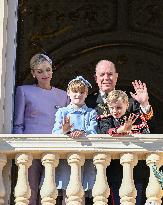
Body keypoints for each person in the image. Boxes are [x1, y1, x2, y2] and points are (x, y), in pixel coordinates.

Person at [86, 60, 153, 205]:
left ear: (116, 77)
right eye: (102, 74)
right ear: (95, 78)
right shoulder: (88, 102)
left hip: (131, 168)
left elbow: (147, 126)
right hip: (98, 168)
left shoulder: (131, 100)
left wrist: (144, 104)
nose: (106, 78)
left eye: (110, 74)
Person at [13, 53, 70, 205]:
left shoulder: (63, 95)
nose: (45, 74)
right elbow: (18, 124)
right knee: (29, 192)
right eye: (40, 71)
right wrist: (21, 149)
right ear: (33, 73)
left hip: (55, 148)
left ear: (52, 70)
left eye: (48, 70)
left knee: (49, 194)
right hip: (30, 148)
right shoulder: (24, 91)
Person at [52, 76, 97, 205]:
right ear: (68, 93)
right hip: (66, 157)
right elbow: (55, 133)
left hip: (85, 157)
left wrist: (83, 132)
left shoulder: (91, 112)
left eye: (82, 92)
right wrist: (64, 130)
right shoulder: (62, 111)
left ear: (86, 94)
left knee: (80, 190)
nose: (78, 95)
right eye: (75, 92)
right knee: (68, 189)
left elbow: (94, 131)